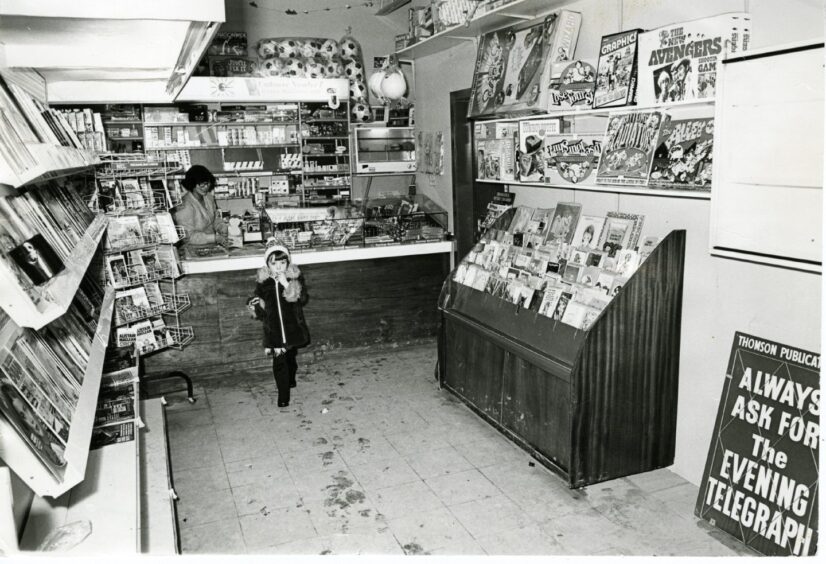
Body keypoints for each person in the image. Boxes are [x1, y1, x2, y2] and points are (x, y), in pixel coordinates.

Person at [249, 240, 310, 408]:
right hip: (274, 331)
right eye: (273, 263)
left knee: (290, 358)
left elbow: (302, 298)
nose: (278, 267)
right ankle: (283, 396)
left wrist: (286, 283)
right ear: (268, 263)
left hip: (292, 329)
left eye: (282, 262)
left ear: (288, 262)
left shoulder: (294, 278)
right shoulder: (264, 282)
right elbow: (260, 307)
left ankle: (291, 378)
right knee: (279, 362)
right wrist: (254, 305)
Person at [175, 165, 229, 246]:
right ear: (192, 184)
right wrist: (215, 238)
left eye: (207, 183)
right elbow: (187, 237)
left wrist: (221, 226)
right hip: (193, 249)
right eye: (202, 184)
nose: (206, 187)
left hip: (211, 247)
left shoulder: (209, 197)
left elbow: (214, 219)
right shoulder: (184, 205)